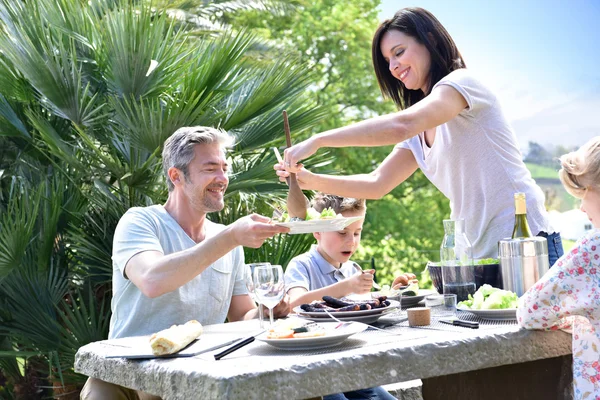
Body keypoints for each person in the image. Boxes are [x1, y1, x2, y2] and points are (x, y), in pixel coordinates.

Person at [275, 7, 562, 264]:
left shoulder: (462, 84)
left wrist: (318, 139)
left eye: (399, 52)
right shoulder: (417, 129)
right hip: (474, 255)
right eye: (388, 59)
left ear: (431, 40)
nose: (393, 66)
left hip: (524, 244)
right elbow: (377, 184)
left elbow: (402, 125)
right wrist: (307, 179)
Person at [81, 126, 291, 400]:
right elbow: (152, 280)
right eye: (210, 168)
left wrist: (267, 310)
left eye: (224, 168)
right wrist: (231, 237)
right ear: (176, 176)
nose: (222, 178)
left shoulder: (227, 239)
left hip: (197, 376)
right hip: (128, 375)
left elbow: (241, 315)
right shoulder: (140, 222)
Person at [285, 194, 396, 400]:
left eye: (357, 232)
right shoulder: (301, 265)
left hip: (351, 361)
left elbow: (366, 305)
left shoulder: (352, 268)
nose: (351, 241)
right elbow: (293, 305)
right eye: (342, 232)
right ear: (317, 230)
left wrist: (393, 292)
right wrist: (345, 287)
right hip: (315, 365)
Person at [517, 137, 600, 399]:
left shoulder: (593, 249)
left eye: (584, 192)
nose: (582, 206)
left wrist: (577, 314)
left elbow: (530, 311)